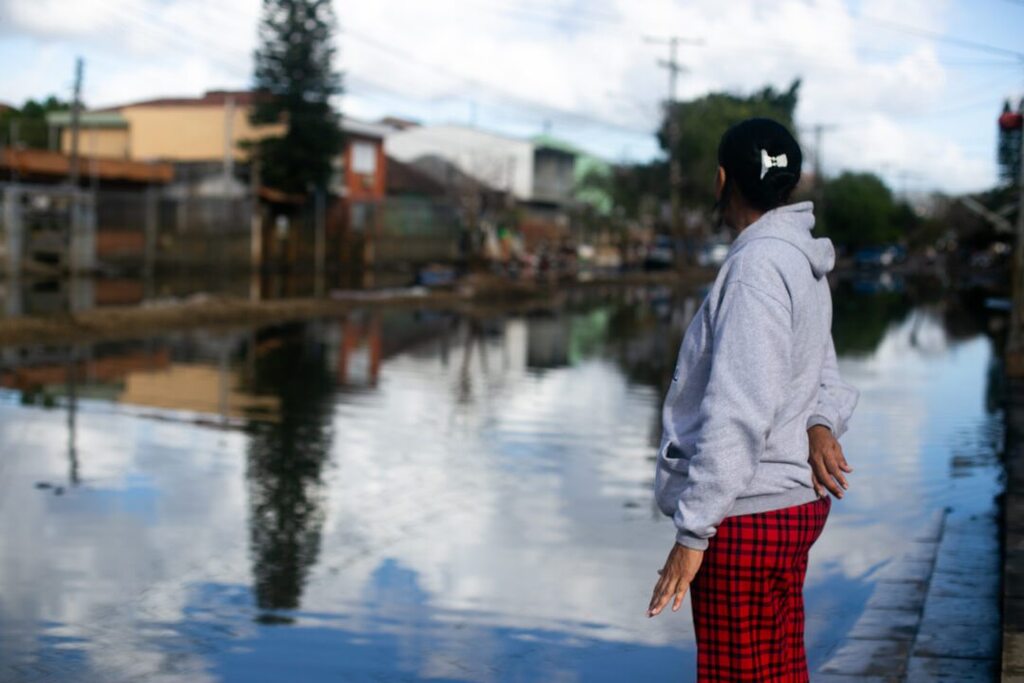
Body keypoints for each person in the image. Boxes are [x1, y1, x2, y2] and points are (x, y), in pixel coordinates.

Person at [646, 118, 859, 682]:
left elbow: (738, 410)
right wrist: (818, 423)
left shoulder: (756, 266)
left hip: (748, 513)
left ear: (723, 181)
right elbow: (825, 370)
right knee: (777, 670)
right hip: (793, 505)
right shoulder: (799, 259)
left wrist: (692, 534)